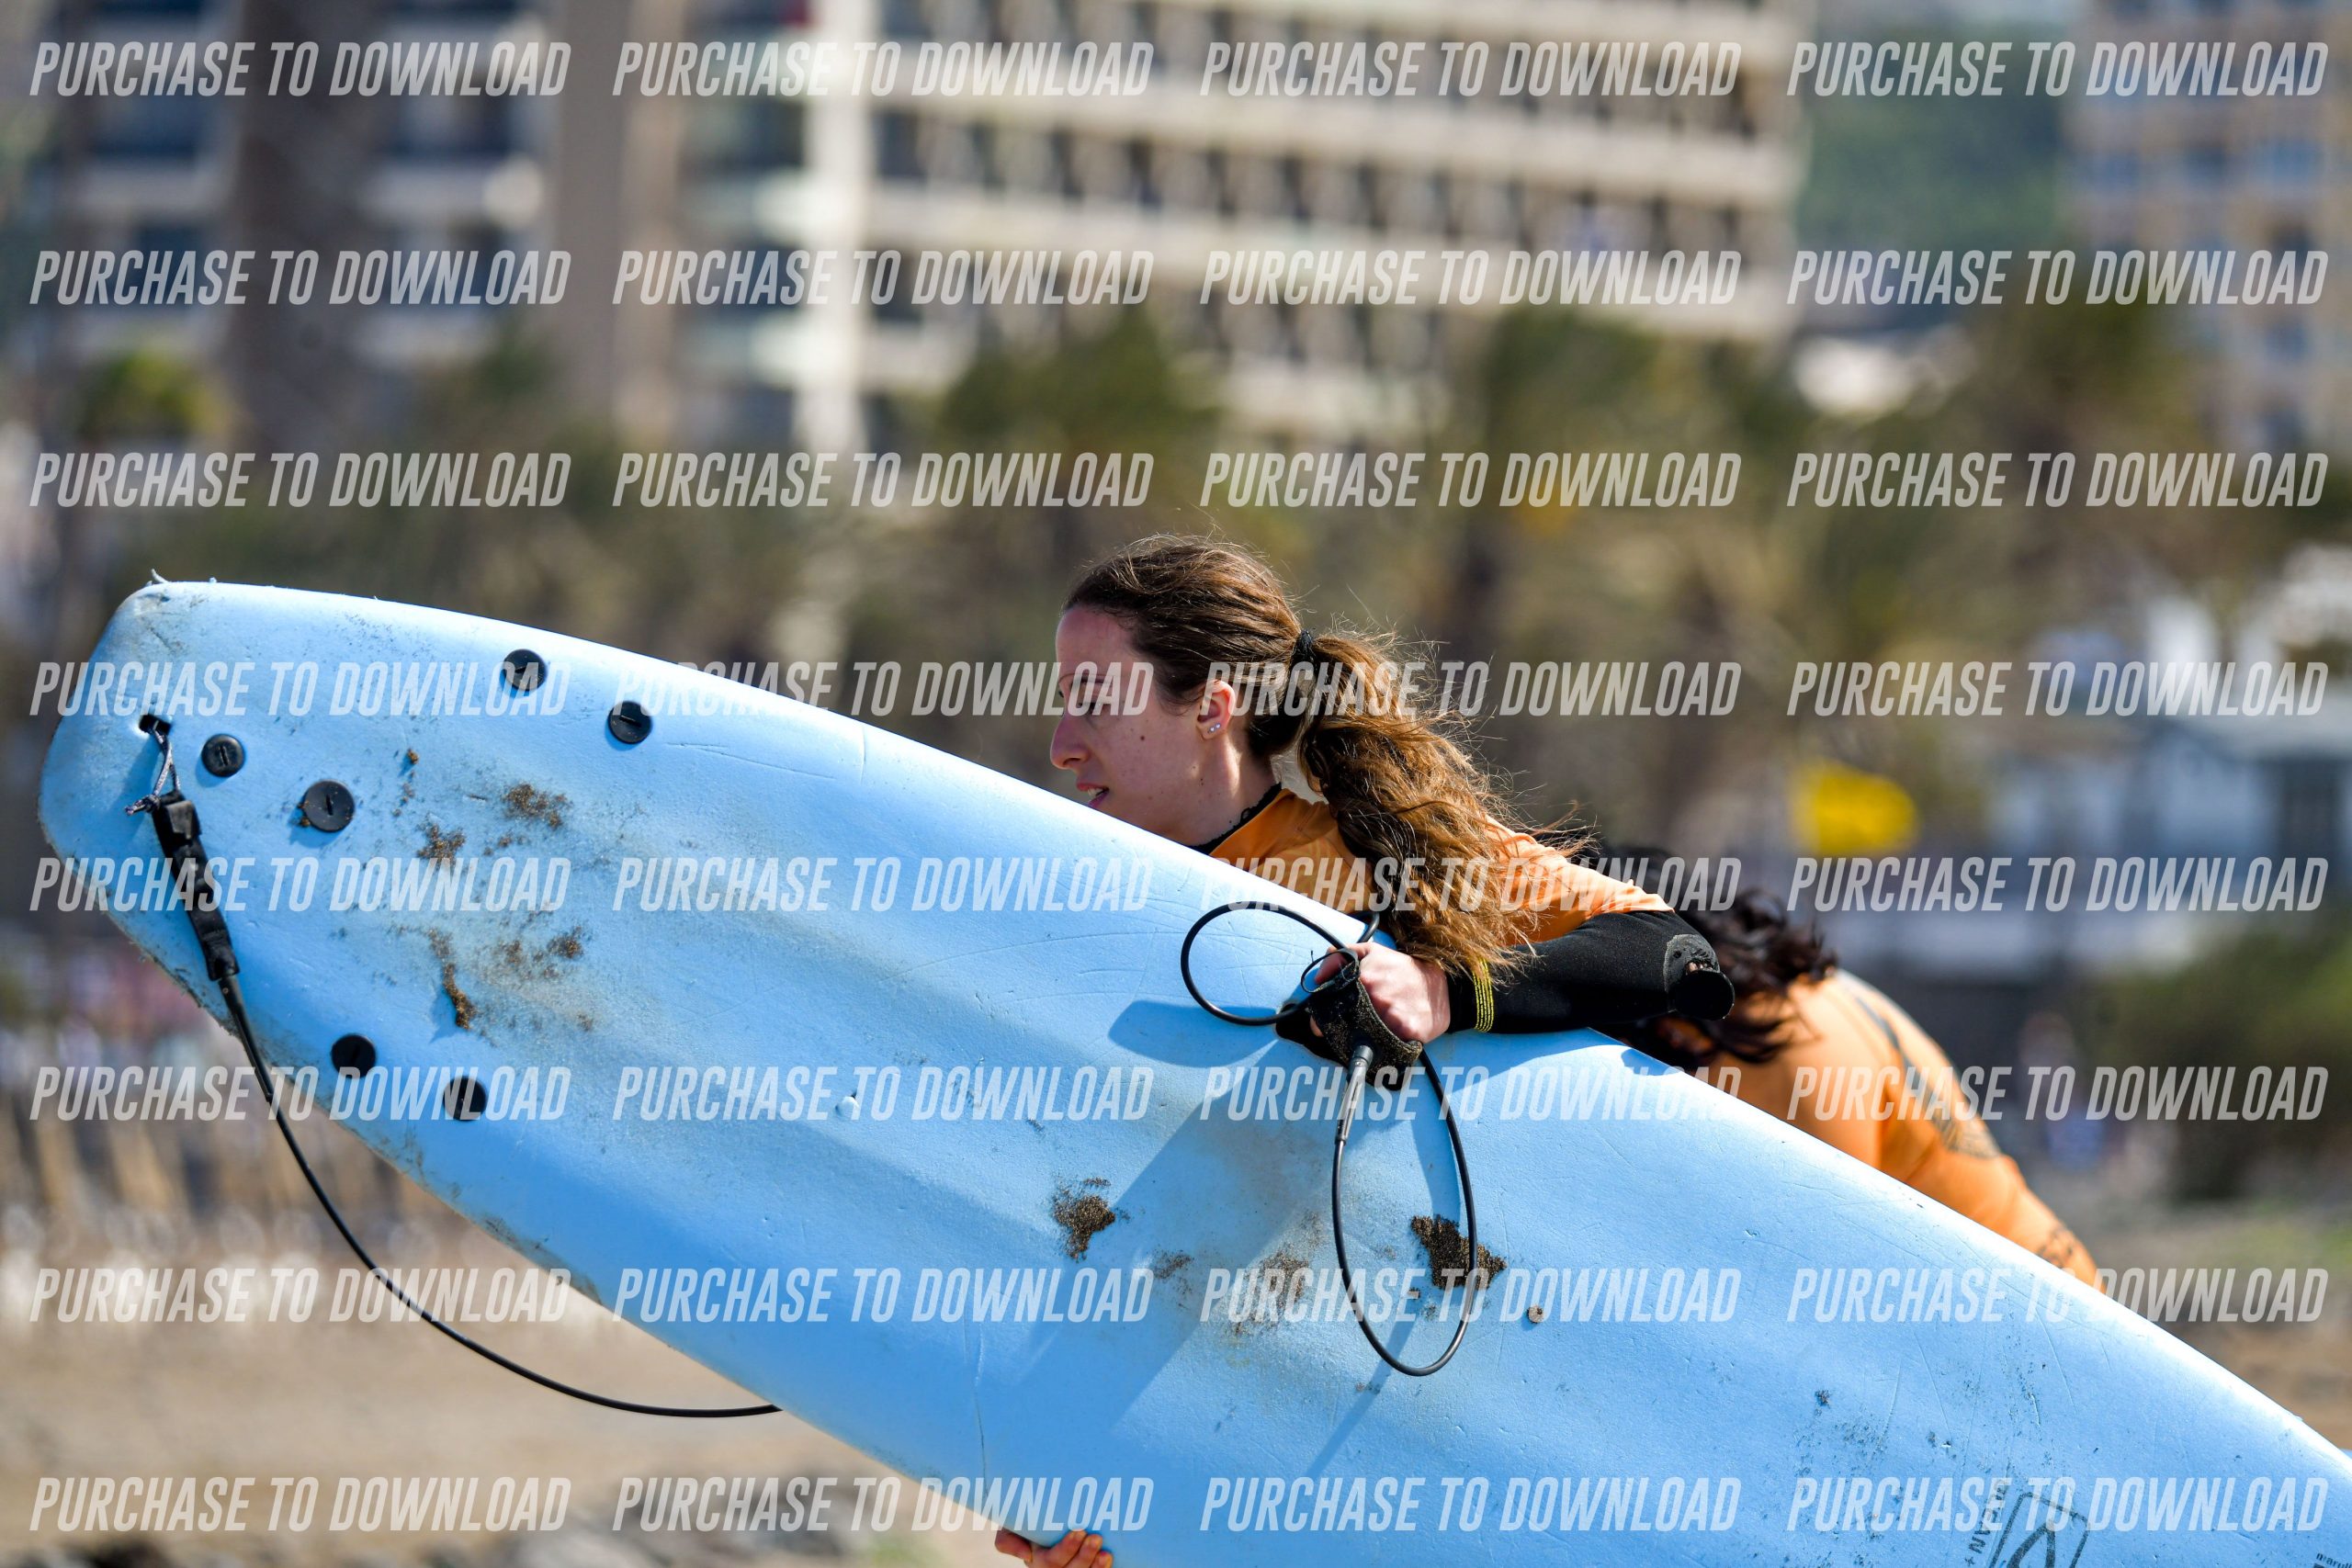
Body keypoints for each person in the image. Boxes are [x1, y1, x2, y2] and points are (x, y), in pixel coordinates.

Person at [993, 536, 1735, 1568]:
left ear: (1212, 706)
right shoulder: (1063, 906)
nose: (1062, 745)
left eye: (1095, 700)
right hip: (1191, 1421)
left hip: (1367, 1414)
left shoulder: (1369, 863)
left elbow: (1674, 953)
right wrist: (1053, 1481)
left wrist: (1446, 990)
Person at [1589, 853, 2099, 1287]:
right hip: (2044, 1283)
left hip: (2033, 1318)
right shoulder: (1787, 998)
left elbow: (1807, 1281)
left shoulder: (1775, 1051)